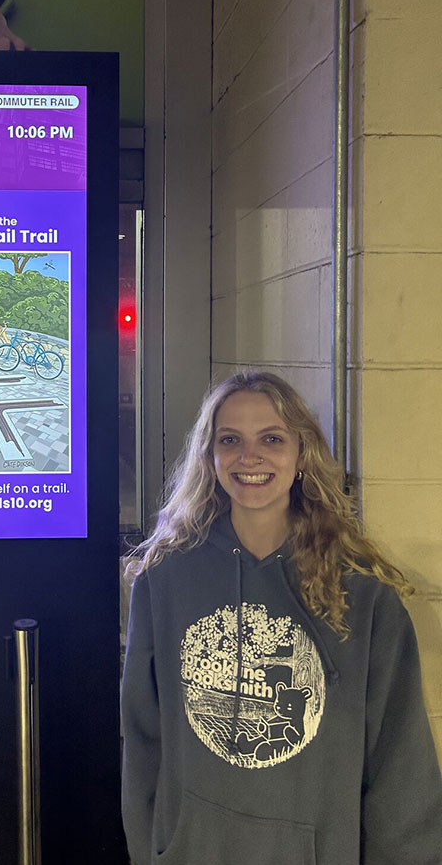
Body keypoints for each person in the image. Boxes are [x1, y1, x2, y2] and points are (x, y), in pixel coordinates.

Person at [121, 370, 442, 864]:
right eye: (230, 440)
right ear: (210, 457)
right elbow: (143, 741)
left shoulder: (362, 595)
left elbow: (401, 770)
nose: (249, 457)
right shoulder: (165, 579)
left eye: (271, 439)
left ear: (301, 455)